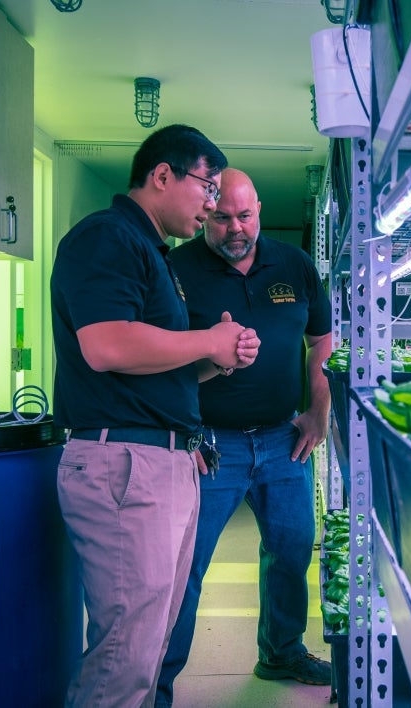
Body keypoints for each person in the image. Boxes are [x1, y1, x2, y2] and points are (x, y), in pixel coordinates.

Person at [51, 125, 261, 708]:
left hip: (160, 461)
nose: (213, 204)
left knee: (148, 647)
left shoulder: (150, 251)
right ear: (162, 175)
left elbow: (151, 366)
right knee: (125, 655)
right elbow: (108, 345)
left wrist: (218, 357)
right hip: (127, 465)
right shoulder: (107, 237)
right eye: (207, 186)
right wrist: (205, 340)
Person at [155, 168, 333, 706]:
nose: (236, 228)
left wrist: (317, 413)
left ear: (258, 209)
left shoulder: (295, 265)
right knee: (187, 565)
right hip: (210, 444)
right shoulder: (176, 268)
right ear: (205, 212)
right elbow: (159, 356)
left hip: (285, 440)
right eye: (223, 217)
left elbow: (321, 341)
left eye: (246, 215)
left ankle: (280, 651)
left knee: (292, 550)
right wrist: (185, 431)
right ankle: (158, 682)